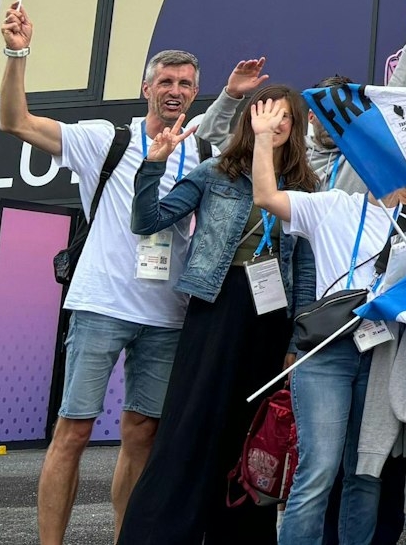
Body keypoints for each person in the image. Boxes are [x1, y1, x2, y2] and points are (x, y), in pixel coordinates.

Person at [0, 3, 198, 545]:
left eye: (184, 83)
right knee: (73, 432)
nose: (175, 90)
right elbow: (15, 121)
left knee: (142, 435)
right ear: (146, 87)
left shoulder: (199, 152)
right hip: (101, 305)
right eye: (166, 81)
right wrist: (17, 52)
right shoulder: (105, 139)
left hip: (168, 316)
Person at [118, 83, 310, 545]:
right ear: (250, 116)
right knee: (191, 423)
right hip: (216, 305)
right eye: (268, 112)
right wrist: (154, 165)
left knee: (250, 432)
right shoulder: (215, 172)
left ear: (296, 126)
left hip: (270, 316)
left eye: (286, 116)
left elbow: (304, 270)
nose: (277, 122)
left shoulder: (304, 186)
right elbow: (148, 221)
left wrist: (296, 340)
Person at [247, 95, 406, 545]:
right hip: (325, 353)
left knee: (365, 471)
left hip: (381, 356)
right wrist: (262, 142)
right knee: (318, 470)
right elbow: (266, 196)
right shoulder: (332, 205)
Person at [196, 0, 406, 194]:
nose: (334, 119)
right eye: (327, 113)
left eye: (341, 111)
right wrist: (231, 94)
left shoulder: (363, 153)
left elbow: (396, 95)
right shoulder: (287, 150)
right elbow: (210, 133)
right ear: (311, 116)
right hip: (288, 245)